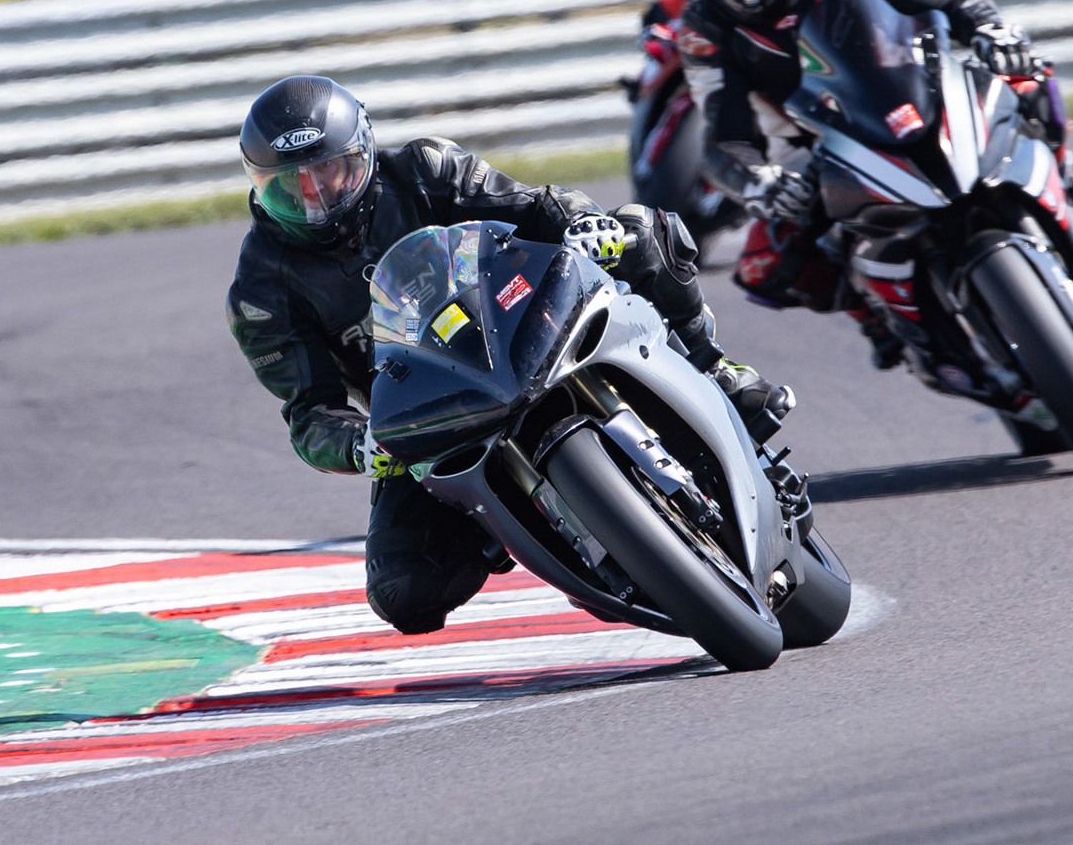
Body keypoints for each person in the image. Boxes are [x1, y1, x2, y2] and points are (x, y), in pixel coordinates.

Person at [226, 75, 793, 636]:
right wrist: (359, 444)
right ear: (260, 186)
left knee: (639, 232)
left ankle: (715, 368)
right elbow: (310, 414)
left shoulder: (426, 168)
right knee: (405, 590)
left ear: (364, 152)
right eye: (291, 186)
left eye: (329, 170)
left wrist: (583, 221)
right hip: (431, 416)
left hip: (522, 320)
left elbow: (537, 206)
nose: (316, 197)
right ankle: (514, 524)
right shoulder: (260, 291)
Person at [676, 0, 1073, 369]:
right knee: (766, 265)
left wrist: (988, 28)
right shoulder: (704, 26)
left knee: (1027, 77)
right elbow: (723, 136)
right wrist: (761, 181)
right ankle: (876, 315)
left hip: (904, 85)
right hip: (808, 140)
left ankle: (1065, 179)